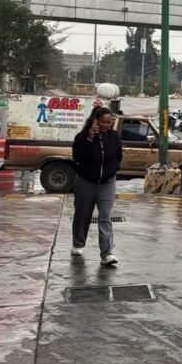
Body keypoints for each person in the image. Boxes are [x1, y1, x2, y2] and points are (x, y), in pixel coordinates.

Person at [71, 106, 123, 266]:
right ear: (95, 121)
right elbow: (78, 157)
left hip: (107, 183)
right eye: (103, 122)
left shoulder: (113, 137)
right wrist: (90, 138)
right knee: (82, 215)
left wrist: (113, 170)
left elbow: (118, 155)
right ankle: (78, 243)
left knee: (105, 217)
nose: (106, 125)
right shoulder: (82, 138)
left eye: (109, 122)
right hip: (86, 182)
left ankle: (107, 254)